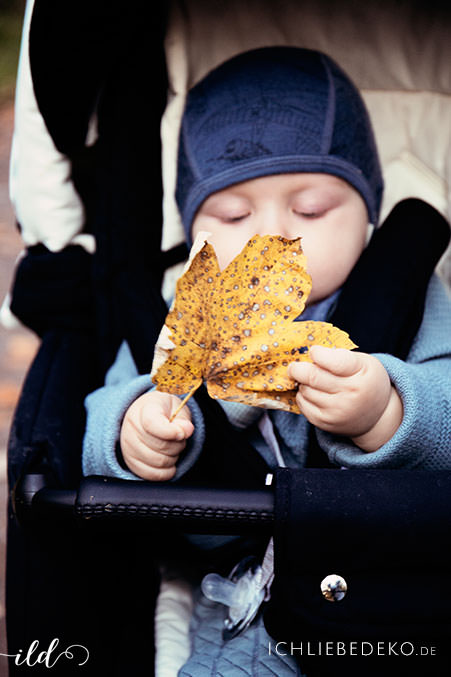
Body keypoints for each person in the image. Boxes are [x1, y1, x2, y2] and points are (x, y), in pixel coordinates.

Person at [82, 47, 451, 675]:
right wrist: (136, 432)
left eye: (310, 210)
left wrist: (385, 409)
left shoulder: (416, 299)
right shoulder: (182, 312)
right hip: (228, 576)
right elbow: (107, 405)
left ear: (368, 215)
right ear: (192, 227)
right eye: (232, 214)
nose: (273, 235)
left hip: (382, 583)